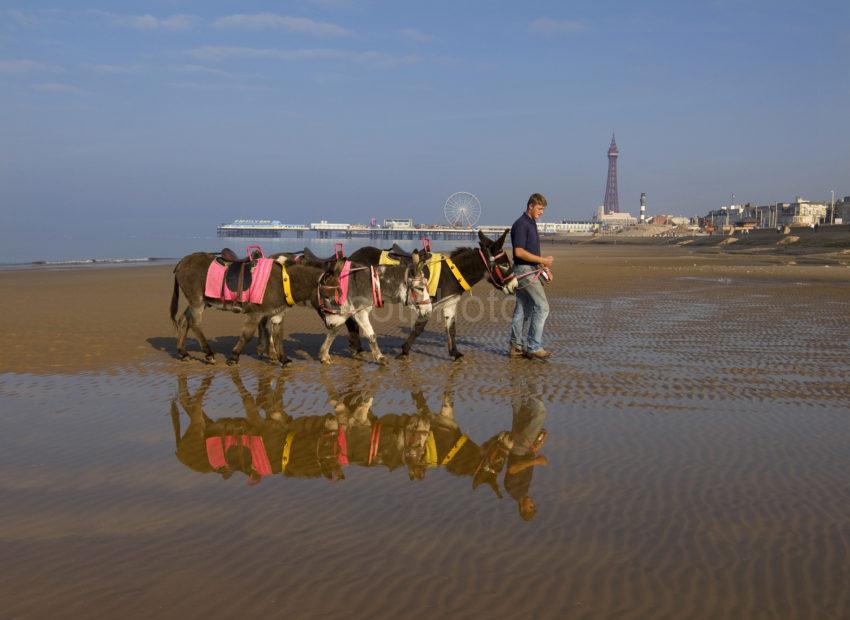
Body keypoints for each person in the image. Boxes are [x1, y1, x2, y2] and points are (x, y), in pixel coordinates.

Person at [509, 193, 554, 359]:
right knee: (542, 307)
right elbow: (519, 252)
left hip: (529, 269)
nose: (541, 212)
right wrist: (542, 260)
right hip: (524, 271)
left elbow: (531, 251)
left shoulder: (531, 223)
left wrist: (544, 268)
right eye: (540, 208)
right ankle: (534, 346)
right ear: (531, 206)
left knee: (522, 309)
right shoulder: (521, 224)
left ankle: (515, 346)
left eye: (543, 209)